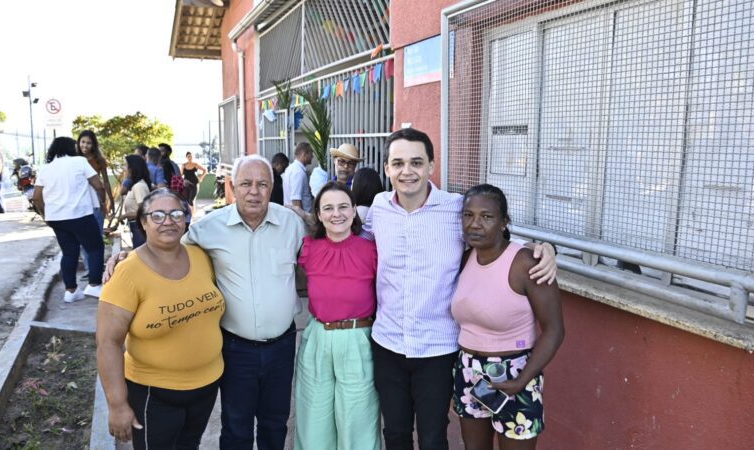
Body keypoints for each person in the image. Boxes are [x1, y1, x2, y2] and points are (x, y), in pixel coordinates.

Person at [363, 128, 556, 450]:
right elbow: (351, 237)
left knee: (433, 436)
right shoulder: (379, 208)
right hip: (388, 343)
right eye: (397, 163)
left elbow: (494, 234)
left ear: (431, 166)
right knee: (394, 433)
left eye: (416, 162)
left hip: (438, 347)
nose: (406, 171)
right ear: (386, 169)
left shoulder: (455, 209)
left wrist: (543, 248)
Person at [105, 154, 305, 450]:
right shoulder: (208, 228)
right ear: (233, 187)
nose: (254, 191)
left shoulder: (292, 224)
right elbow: (166, 247)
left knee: (275, 421)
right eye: (246, 183)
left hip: (283, 345)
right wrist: (125, 257)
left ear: (272, 187)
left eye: (262, 184)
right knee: (236, 425)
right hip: (236, 348)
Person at [97, 189, 225, 449]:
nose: (168, 221)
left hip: (206, 388)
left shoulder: (201, 257)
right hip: (154, 395)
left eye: (176, 214)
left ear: (186, 219)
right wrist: (117, 404)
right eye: (157, 215)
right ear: (143, 222)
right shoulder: (126, 274)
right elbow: (107, 343)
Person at [451, 184, 564, 449]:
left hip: (516, 374)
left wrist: (522, 382)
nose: (475, 224)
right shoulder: (465, 258)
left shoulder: (526, 264)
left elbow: (555, 330)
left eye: (486, 217)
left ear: (504, 222)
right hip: (469, 373)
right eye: (468, 215)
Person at [294, 181, 380, 450]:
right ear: (318, 214)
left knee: (358, 421)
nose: (337, 214)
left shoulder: (371, 251)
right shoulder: (309, 248)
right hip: (318, 336)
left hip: (358, 338)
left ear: (354, 211)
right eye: (328, 208)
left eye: (343, 206)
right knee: (314, 419)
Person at [33, 137, 106, 303]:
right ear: (70, 148)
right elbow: (99, 185)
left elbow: (37, 197)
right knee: (95, 248)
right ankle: (94, 285)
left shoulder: (46, 168)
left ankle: (71, 291)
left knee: (69, 252)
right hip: (80, 215)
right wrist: (101, 203)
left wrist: (45, 214)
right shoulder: (80, 161)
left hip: (56, 219)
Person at [77, 130, 114, 280]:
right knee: (81, 237)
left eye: (89, 142)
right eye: (83, 142)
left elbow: (104, 182)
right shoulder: (74, 159)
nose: (85, 145)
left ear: (93, 145)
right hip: (79, 200)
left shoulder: (99, 160)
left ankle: (96, 268)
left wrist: (108, 200)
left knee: (96, 236)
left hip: (97, 200)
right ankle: (88, 268)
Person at [122, 155, 152, 249]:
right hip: (135, 226)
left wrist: (124, 216)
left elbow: (144, 211)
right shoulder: (135, 185)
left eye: (125, 165)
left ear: (132, 168)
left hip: (139, 227)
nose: (123, 168)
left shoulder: (139, 186)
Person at [283, 142, 313, 212]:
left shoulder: (292, 168)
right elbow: (296, 200)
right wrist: (302, 219)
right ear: (304, 154)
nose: (312, 156)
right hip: (298, 217)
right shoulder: (298, 172)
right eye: (311, 153)